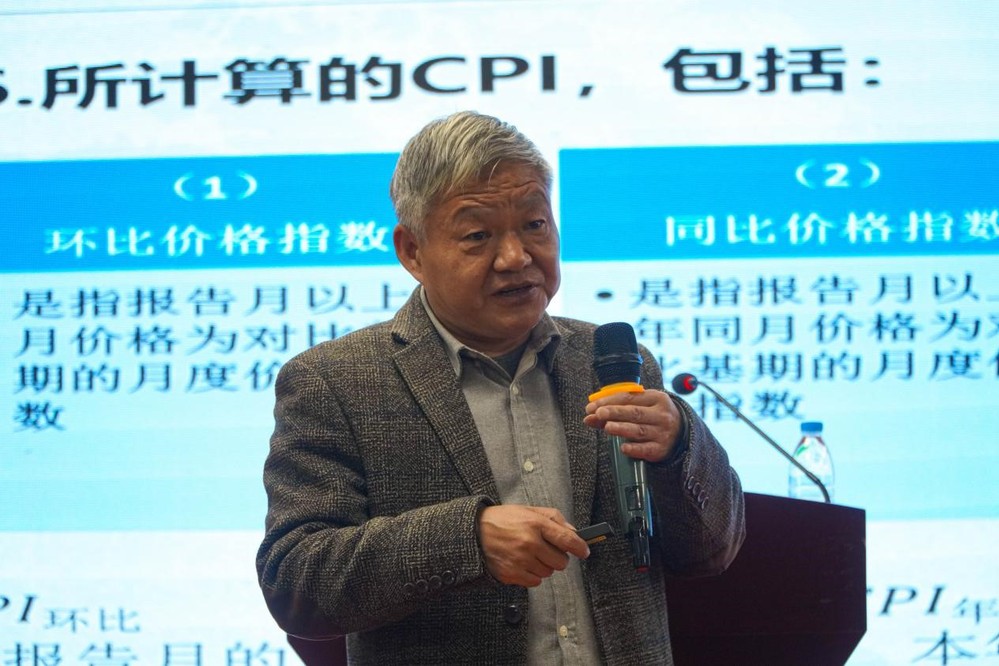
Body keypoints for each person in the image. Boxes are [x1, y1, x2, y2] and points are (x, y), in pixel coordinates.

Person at [256, 110, 745, 665]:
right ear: (412, 251)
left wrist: (680, 446)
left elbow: (712, 550)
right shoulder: (337, 381)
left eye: (535, 225)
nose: (516, 257)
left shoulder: (612, 364)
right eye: (478, 235)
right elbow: (295, 581)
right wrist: (467, 540)